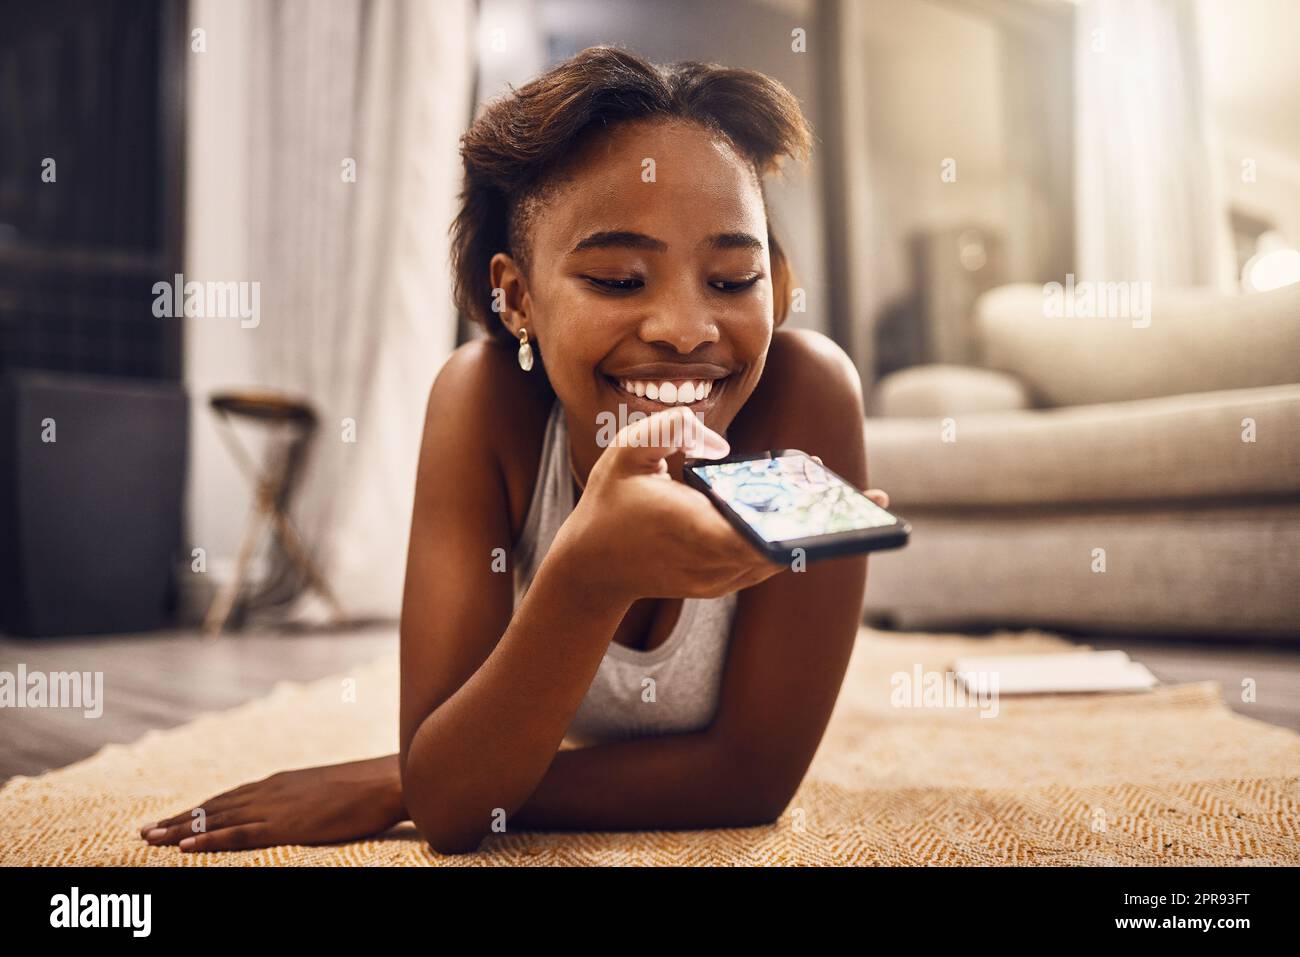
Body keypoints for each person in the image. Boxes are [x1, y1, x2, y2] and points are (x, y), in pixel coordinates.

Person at [140, 45, 888, 855]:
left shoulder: (809, 399)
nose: (684, 328)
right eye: (620, 280)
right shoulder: (481, 405)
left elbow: (748, 780)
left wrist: (401, 779)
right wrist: (587, 577)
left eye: (733, 278)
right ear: (517, 296)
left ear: (775, 286)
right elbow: (458, 806)